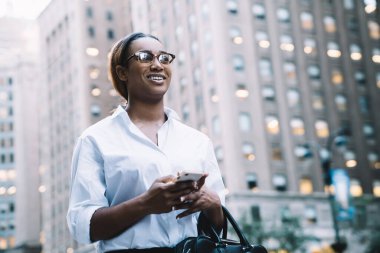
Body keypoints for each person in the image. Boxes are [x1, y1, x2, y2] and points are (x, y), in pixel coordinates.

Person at [66, 32, 226, 253]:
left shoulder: (197, 141)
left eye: (164, 58)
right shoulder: (95, 139)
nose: (157, 65)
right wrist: (145, 204)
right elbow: (83, 228)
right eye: (144, 57)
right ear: (122, 72)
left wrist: (213, 204)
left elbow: (218, 226)